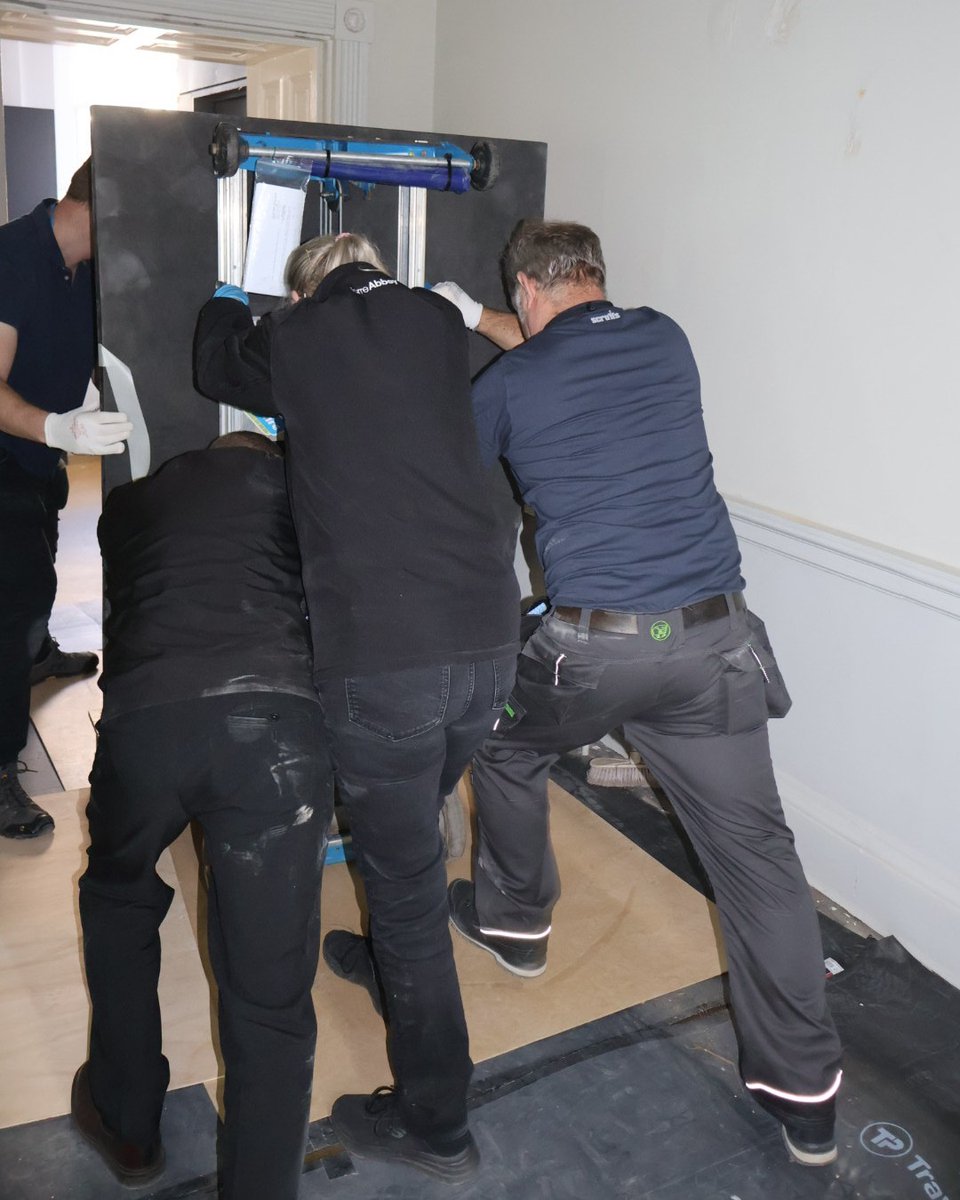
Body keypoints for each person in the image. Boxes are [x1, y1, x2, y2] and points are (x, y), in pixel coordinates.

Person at [432, 221, 844, 1168]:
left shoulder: (508, 385)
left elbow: (462, 471)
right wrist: (489, 320)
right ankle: (807, 1099)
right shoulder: (665, 336)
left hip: (594, 652)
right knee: (758, 860)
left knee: (504, 744)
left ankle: (516, 923)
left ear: (528, 290)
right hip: (715, 642)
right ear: (597, 279)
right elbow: (565, 346)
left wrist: (463, 332)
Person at [193, 233, 519, 1185]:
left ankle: (437, 1125)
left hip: (387, 662)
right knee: (411, 829)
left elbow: (214, 359)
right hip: (490, 645)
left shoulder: (299, 336)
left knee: (408, 888)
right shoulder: (440, 321)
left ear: (305, 290)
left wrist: (227, 300)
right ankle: (389, 969)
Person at [72, 432, 333, 1200]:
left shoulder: (126, 506)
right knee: (270, 992)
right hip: (275, 731)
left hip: (145, 723)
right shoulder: (299, 488)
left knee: (118, 897)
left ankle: (128, 1127)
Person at [0, 158, 132, 839]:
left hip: (39, 455)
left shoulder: (86, 270)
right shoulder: (13, 255)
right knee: (12, 605)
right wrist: (53, 425)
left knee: (40, 564)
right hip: (4, 454)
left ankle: (38, 650)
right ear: (99, 208)